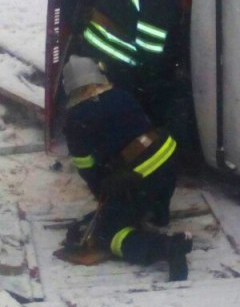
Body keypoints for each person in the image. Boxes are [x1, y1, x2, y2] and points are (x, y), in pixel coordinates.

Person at [62, 56, 192, 281]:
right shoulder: (121, 95)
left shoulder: (75, 118)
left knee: (108, 233)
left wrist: (104, 196)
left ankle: (166, 248)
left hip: (138, 175)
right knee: (151, 196)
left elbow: (87, 168)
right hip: (168, 157)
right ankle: (158, 214)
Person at [78, 0, 183, 127]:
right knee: (140, 95)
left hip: (105, 38)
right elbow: (150, 55)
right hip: (107, 45)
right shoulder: (162, 1)